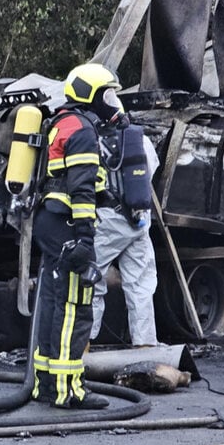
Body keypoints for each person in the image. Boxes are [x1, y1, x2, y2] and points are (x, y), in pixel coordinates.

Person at [31, 63, 123, 410]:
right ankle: (69, 389)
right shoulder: (82, 130)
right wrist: (85, 239)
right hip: (68, 225)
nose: (111, 102)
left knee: (55, 303)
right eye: (107, 95)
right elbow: (80, 189)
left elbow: (65, 178)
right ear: (91, 95)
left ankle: (46, 385)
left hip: (50, 222)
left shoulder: (60, 123)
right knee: (75, 307)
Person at [90, 121, 161, 347]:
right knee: (140, 284)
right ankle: (145, 345)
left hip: (108, 219)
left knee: (89, 281)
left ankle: (82, 346)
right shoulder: (139, 138)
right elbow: (151, 170)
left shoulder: (93, 139)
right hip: (138, 218)